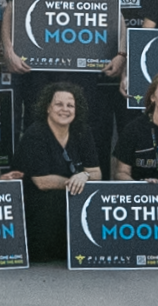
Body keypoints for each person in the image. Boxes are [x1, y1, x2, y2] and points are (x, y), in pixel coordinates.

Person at [1, 0, 121, 150]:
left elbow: (114, 15)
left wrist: (122, 54)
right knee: (38, 132)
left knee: (83, 133)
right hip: (37, 71)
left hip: (83, 73)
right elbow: (10, 14)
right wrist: (9, 52)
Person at [9, 80, 100, 263]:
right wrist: (73, 182)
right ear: (47, 108)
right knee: (58, 198)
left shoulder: (82, 131)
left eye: (70, 105)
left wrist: (84, 176)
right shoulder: (35, 134)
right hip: (36, 206)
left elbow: (97, 173)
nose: (64, 109)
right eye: (58, 104)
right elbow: (42, 182)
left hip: (66, 199)